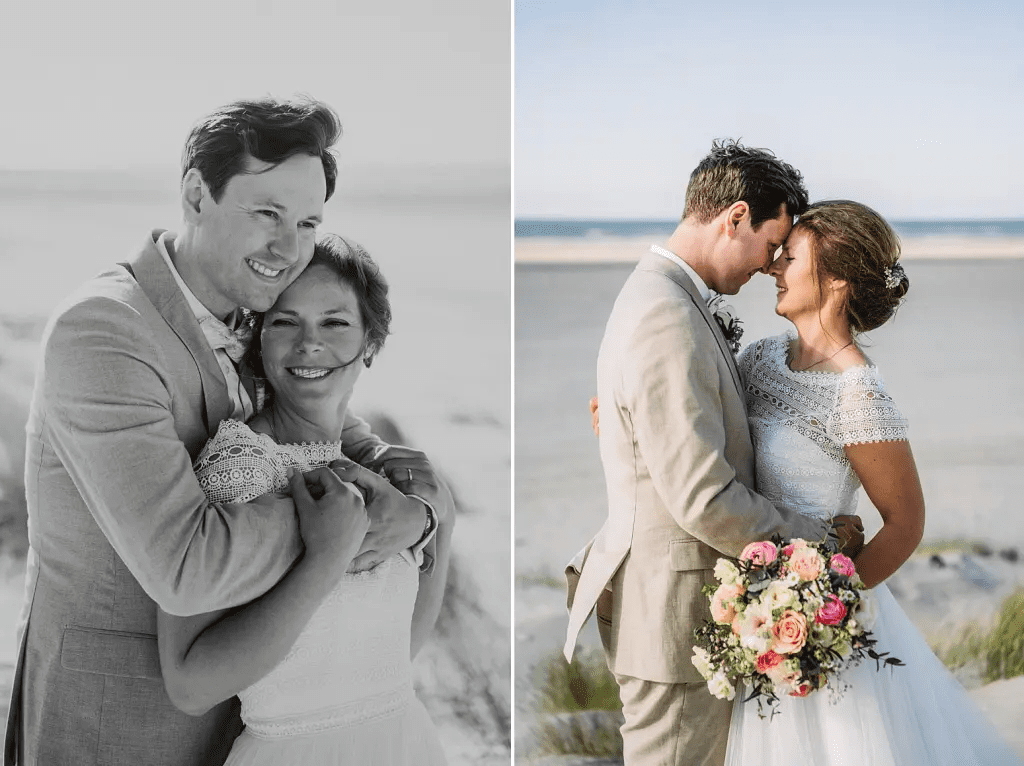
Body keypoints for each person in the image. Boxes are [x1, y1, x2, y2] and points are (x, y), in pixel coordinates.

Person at [7, 98, 449, 766]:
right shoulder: (105, 330)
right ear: (195, 192)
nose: (289, 247)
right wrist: (346, 525)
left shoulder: (249, 318)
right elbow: (187, 566)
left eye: (307, 222)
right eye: (266, 214)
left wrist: (419, 509)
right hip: (119, 726)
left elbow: (338, 436)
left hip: (249, 715)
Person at [563, 140, 865, 766]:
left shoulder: (665, 296)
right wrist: (822, 543)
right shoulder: (667, 315)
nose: (767, 265)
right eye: (768, 243)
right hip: (673, 622)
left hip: (678, 613)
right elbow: (704, 498)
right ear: (733, 218)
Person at [723, 200, 1023, 764]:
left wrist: (824, 607)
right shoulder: (760, 358)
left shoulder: (858, 393)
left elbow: (906, 523)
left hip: (818, 631)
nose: (772, 268)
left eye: (788, 257)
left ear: (835, 280)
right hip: (755, 613)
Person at [158, 235, 452, 765]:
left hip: (400, 739)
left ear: (370, 341)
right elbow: (190, 686)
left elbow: (393, 654)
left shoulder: (378, 474)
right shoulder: (239, 469)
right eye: (285, 322)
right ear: (259, 340)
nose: (308, 344)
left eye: (335, 323)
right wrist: (324, 559)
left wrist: (439, 518)